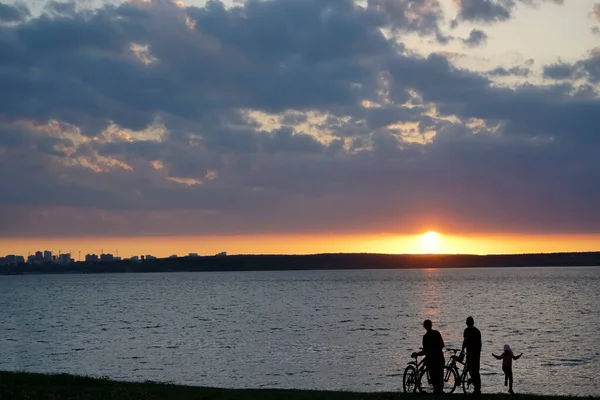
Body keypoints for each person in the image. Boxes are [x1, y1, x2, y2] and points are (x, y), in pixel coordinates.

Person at [412, 319, 445, 395]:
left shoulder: (425, 337)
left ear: (424, 327)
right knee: (439, 375)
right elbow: (442, 345)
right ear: (431, 325)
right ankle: (439, 390)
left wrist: (418, 354)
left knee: (433, 375)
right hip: (438, 357)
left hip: (431, 359)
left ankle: (437, 390)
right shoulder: (436, 333)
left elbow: (425, 351)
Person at [462, 316, 482, 394]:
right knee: (476, 371)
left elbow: (465, 340)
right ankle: (477, 388)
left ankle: (476, 387)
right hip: (477, 354)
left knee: (471, 370)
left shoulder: (467, 330)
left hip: (470, 353)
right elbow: (480, 343)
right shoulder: (477, 331)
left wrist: (462, 349)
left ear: (467, 323)